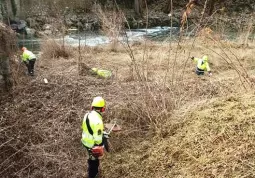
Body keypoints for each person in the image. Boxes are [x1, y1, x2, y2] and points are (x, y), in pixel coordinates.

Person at [81, 96, 106, 178]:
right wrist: (102, 145)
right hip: (92, 145)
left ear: (92, 107)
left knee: (90, 161)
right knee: (94, 164)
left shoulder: (87, 115)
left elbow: (87, 128)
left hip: (85, 141)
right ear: (102, 109)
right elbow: (98, 140)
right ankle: (93, 175)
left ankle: (91, 166)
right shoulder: (98, 121)